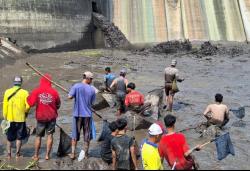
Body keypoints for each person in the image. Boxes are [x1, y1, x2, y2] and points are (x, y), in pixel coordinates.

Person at [27, 74, 61, 161]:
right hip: (51, 117)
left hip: (41, 117)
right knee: (50, 136)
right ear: (50, 82)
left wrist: (28, 97)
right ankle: (47, 155)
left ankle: (36, 155)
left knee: (38, 136)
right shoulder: (54, 92)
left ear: (41, 82)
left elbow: (30, 103)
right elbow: (58, 104)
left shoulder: (37, 91)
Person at [68, 71, 96, 160]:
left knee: (75, 134)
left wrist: (73, 95)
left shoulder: (76, 86)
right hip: (87, 115)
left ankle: (73, 154)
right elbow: (92, 103)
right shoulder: (92, 89)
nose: (91, 80)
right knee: (87, 135)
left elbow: (69, 97)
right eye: (91, 79)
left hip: (77, 114)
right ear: (87, 78)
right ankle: (86, 154)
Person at [2, 76, 30, 159]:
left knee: (9, 138)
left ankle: (9, 155)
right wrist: (26, 113)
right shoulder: (25, 92)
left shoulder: (7, 92)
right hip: (21, 119)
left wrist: (5, 117)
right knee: (19, 137)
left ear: (13, 82)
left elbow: (4, 106)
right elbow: (28, 106)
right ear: (21, 83)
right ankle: (17, 154)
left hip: (10, 119)